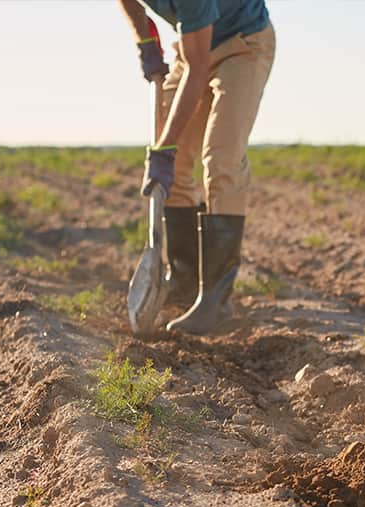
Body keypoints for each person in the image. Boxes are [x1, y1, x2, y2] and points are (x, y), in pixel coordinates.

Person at [118, 0, 275, 334]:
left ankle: (215, 300)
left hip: (243, 45)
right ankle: (184, 278)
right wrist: (145, 43)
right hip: (190, 50)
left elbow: (198, 67)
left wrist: (165, 150)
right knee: (171, 166)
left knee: (221, 160)